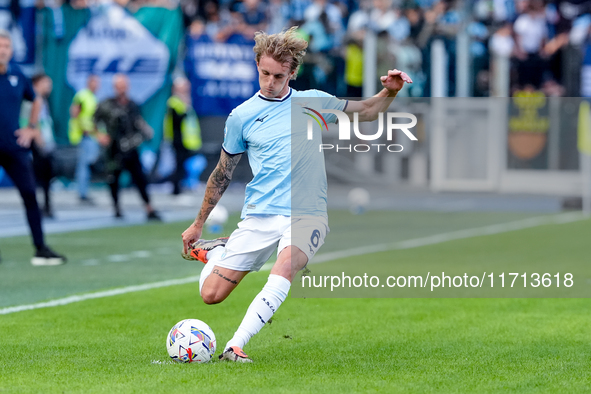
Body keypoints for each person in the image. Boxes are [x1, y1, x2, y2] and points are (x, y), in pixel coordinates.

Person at [181, 27, 411, 362]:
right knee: (210, 295)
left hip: (307, 212)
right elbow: (222, 173)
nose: (270, 82)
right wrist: (198, 224)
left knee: (285, 267)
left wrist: (388, 92)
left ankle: (235, 344)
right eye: (264, 74)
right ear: (257, 67)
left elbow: (367, 111)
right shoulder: (241, 117)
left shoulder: (312, 102)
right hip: (260, 214)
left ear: (293, 72)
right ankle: (218, 253)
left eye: (278, 76)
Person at [0, 29, 66, 266]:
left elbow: (35, 99)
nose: (3, 50)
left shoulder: (17, 73)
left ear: (12, 50)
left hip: (13, 145)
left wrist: (30, 127)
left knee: (30, 193)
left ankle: (40, 248)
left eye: (6, 46)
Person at [94, 74, 161, 220]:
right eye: (119, 86)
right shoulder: (106, 105)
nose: (121, 89)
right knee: (114, 179)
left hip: (130, 148)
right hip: (114, 149)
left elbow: (138, 122)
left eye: (123, 85)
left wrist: (146, 130)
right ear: (114, 87)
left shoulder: (132, 105)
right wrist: (100, 135)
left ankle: (149, 207)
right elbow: (93, 121)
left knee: (140, 178)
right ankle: (116, 208)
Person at [22, 73, 57, 218]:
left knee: (47, 177)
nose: (49, 86)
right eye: (46, 83)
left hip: (45, 144)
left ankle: (46, 205)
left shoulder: (43, 100)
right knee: (34, 178)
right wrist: (37, 138)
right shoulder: (31, 100)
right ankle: (35, 207)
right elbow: (27, 122)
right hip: (35, 146)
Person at [163, 77, 202, 195]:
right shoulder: (174, 102)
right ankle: (176, 190)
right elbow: (177, 121)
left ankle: (183, 186)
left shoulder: (185, 101)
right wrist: (185, 107)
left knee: (184, 165)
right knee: (178, 166)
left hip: (188, 141)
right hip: (179, 140)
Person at [69, 74, 101, 204]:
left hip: (91, 135)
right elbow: (75, 112)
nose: (97, 85)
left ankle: (84, 191)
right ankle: (82, 194)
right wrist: (83, 128)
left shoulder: (92, 97)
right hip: (84, 135)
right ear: (89, 82)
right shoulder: (82, 96)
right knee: (83, 165)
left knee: (87, 164)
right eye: (95, 82)